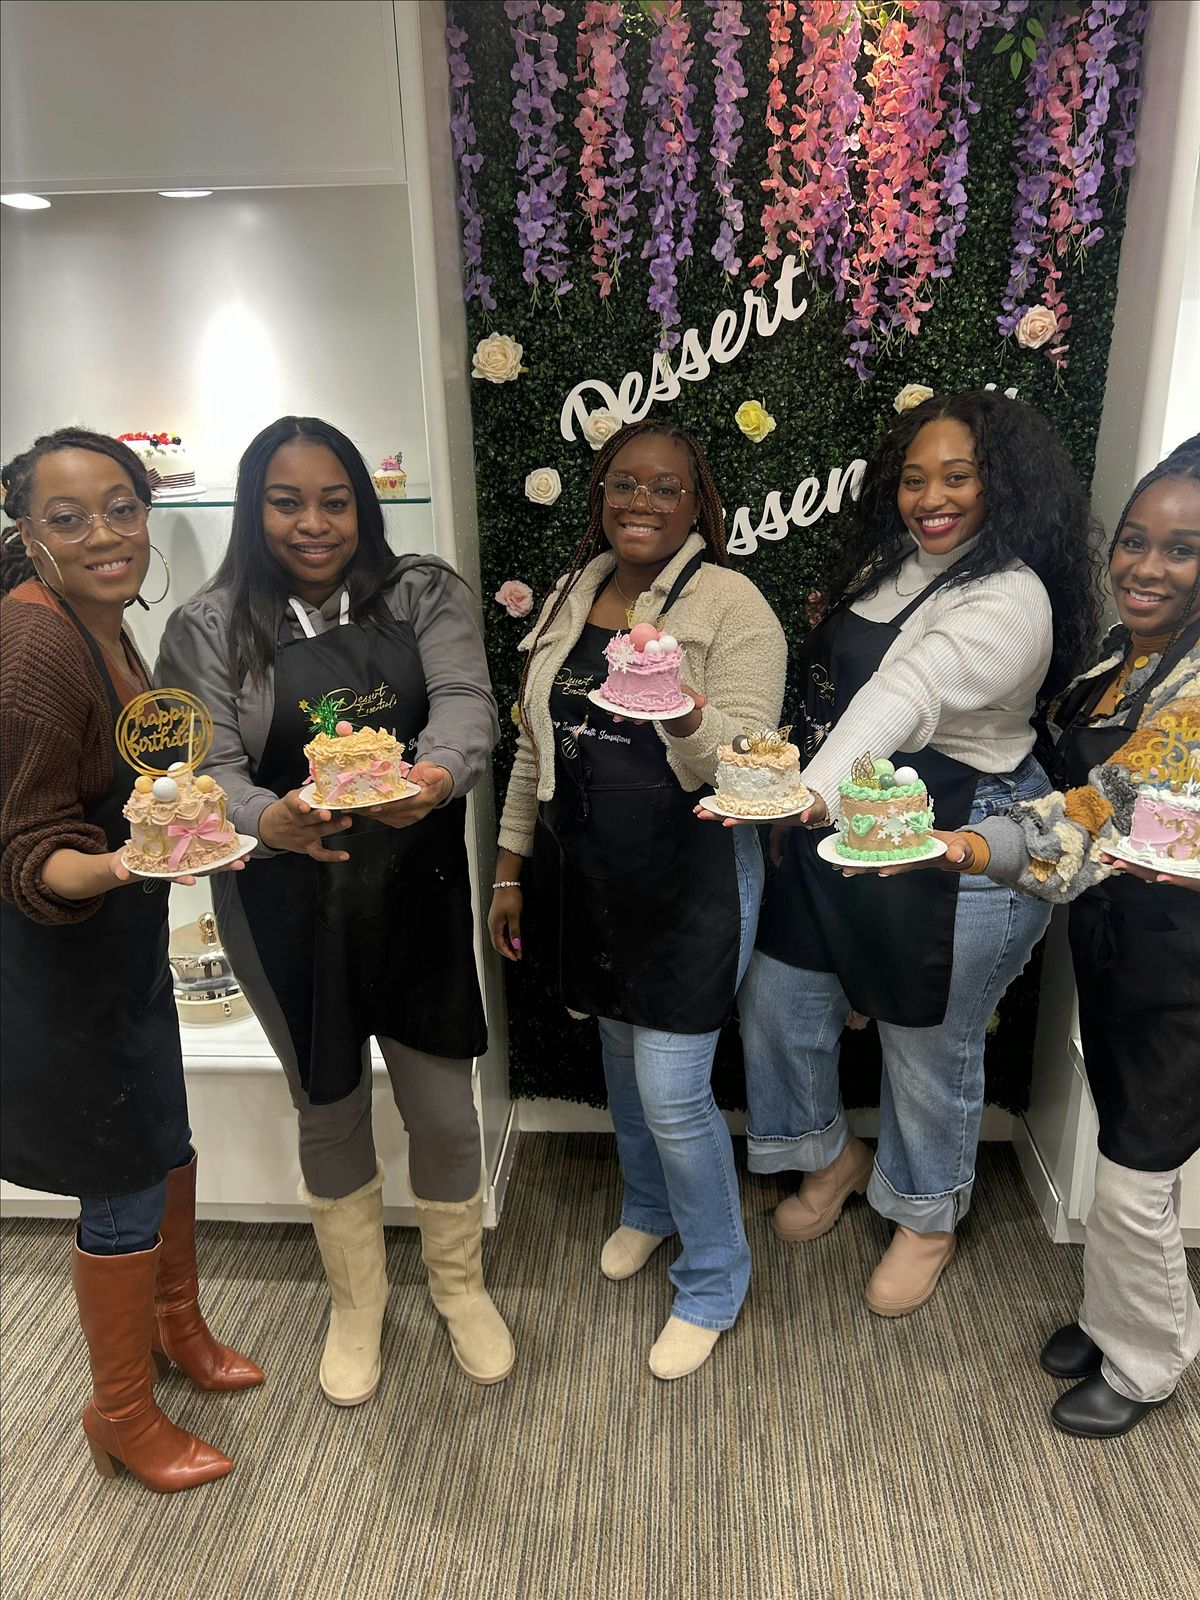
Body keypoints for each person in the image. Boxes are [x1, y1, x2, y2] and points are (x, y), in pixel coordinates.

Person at [723, 392, 1104, 1317]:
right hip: (844, 815)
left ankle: (927, 1215)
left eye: (957, 477)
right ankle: (831, 1158)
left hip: (961, 831)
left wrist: (807, 794)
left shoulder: (1011, 598)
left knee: (927, 1038)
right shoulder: (889, 565)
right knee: (778, 1001)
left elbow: (907, 690)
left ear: (1002, 485)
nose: (931, 499)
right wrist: (809, 794)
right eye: (914, 479)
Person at [157, 415, 511, 1403]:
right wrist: (268, 819)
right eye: (286, 502)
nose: (312, 524)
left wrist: (434, 775)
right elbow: (208, 766)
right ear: (252, 507)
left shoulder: (423, 590)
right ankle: (358, 1304)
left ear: (363, 504)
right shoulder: (207, 625)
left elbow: (466, 703)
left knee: (444, 1111)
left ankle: (459, 1286)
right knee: (330, 1102)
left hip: (415, 888)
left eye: (334, 500)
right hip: (282, 903)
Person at [883, 438, 1199, 1436]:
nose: (1146, 567)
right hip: (1120, 946)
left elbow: (1101, 812)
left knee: (1141, 1175)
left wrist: (966, 846)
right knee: (1123, 1146)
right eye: (1136, 541)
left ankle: (1146, 1363)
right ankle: (1112, 1321)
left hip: (1183, 968)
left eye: (1182, 550)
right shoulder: (1122, 653)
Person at [488, 420, 787, 1379]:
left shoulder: (734, 606)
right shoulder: (577, 592)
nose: (641, 503)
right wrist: (509, 868)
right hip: (586, 874)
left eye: (665, 488)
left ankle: (714, 1278)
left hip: (691, 878)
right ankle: (650, 1209)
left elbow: (750, 767)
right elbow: (533, 745)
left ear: (698, 502)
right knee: (619, 1060)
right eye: (624, 484)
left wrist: (681, 705)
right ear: (600, 494)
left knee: (671, 1090)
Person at [1, 428, 262, 1495]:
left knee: (164, 1137)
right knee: (120, 1173)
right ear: (27, 531)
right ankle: (118, 1413)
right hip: (60, 971)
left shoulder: (102, 622)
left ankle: (176, 1326)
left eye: (122, 507)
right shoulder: (34, 644)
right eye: (67, 518)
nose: (104, 534)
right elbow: (27, 851)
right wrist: (130, 862)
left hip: (119, 954)